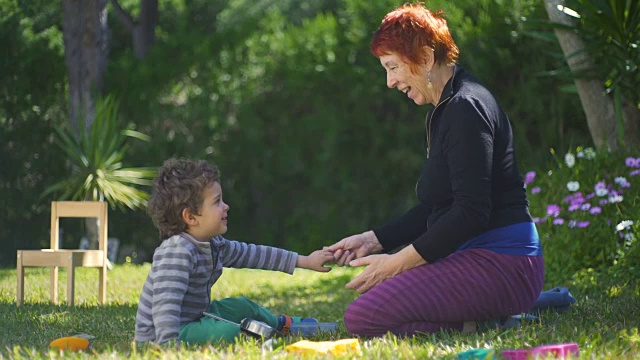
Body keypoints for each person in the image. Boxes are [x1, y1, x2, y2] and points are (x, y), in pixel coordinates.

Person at [327, 3, 544, 337]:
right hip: (475, 256)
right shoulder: (444, 108)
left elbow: (471, 212)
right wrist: (374, 241)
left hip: (503, 263)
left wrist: (394, 264)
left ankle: (496, 315)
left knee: (363, 317)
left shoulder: (464, 108)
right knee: (377, 302)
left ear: (426, 58)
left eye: (393, 67)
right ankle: (491, 317)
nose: (389, 81)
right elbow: (437, 207)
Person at [135, 158, 335, 345]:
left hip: (195, 319)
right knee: (229, 332)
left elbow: (254, 255)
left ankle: (282, 325)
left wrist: (305, 261)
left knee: (242, 306)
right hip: (165, 333)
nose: (226, 206)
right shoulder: (177, 250)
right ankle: (253, 336)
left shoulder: (214, 244)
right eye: (217, 202)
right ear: (191, 216)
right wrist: (167, 346)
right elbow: (164, 306)